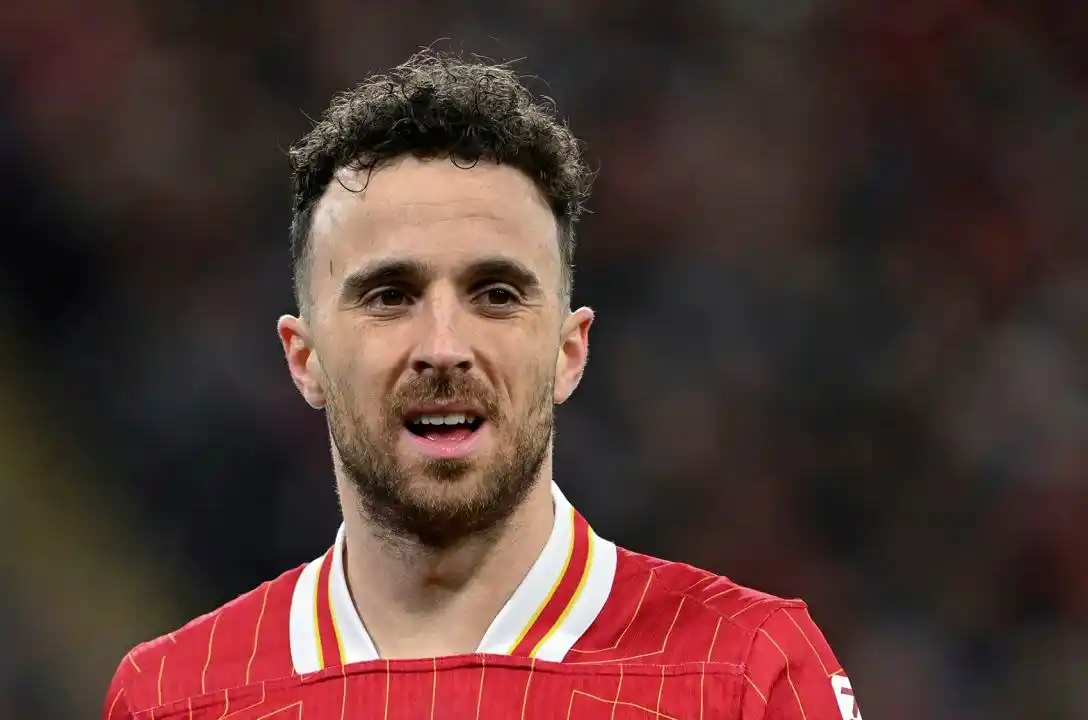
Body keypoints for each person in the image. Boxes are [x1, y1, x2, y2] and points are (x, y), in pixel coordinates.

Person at [103, 49, 863, 720]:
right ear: (304, 360)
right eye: (389, 295)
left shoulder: (747, 675)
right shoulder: (175, 699)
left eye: (496, 294)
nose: (443, 348)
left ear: (570, 351)